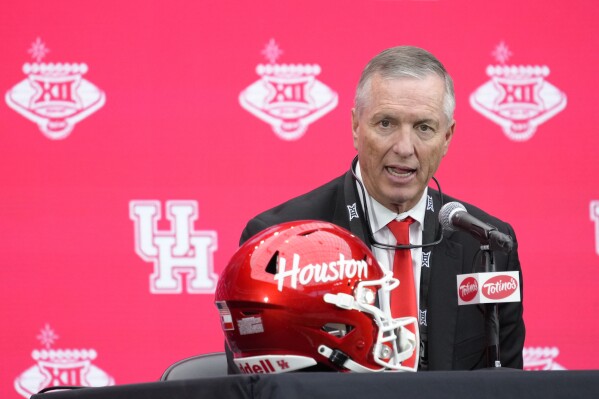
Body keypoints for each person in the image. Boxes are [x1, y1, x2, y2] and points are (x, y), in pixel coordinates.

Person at [229, 45, 525, 371]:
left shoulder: (484, 243)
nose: (403, 147)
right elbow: (260, 388)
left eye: (424, 127)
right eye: (386, 123)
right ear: (356, 126)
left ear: (447, 137)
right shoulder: (276, 242)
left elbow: (508, 383)